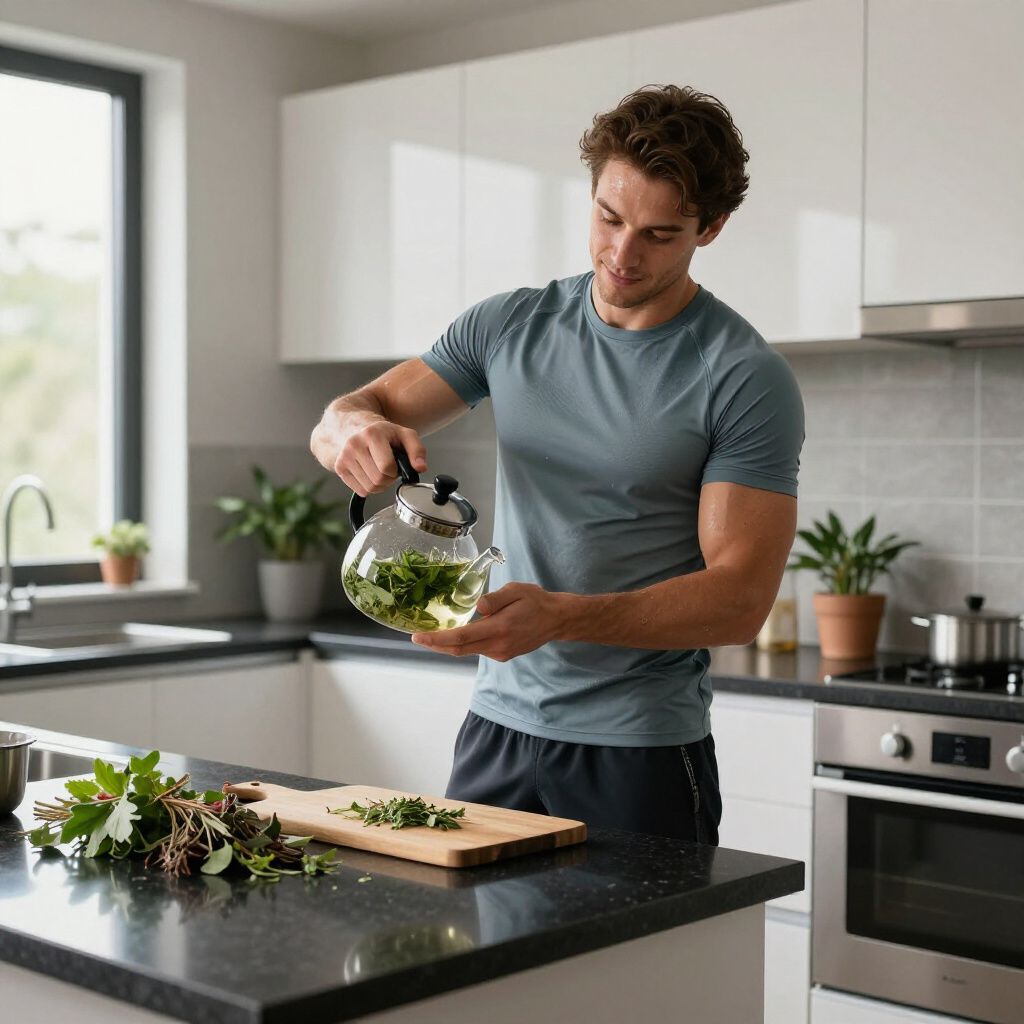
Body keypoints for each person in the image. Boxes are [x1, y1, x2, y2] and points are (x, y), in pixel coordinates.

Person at [310, 84, 804, 845]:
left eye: (660, 234)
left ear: (712, 228)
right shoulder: (510, 324)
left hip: (639, 747)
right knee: (475, 961)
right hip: (496, 728)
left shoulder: (740, 374)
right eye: (608, 218)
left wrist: (563, 618)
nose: (623, 254)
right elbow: (366, 405)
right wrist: (346, 425)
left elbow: (739, 602)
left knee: (633, 968)